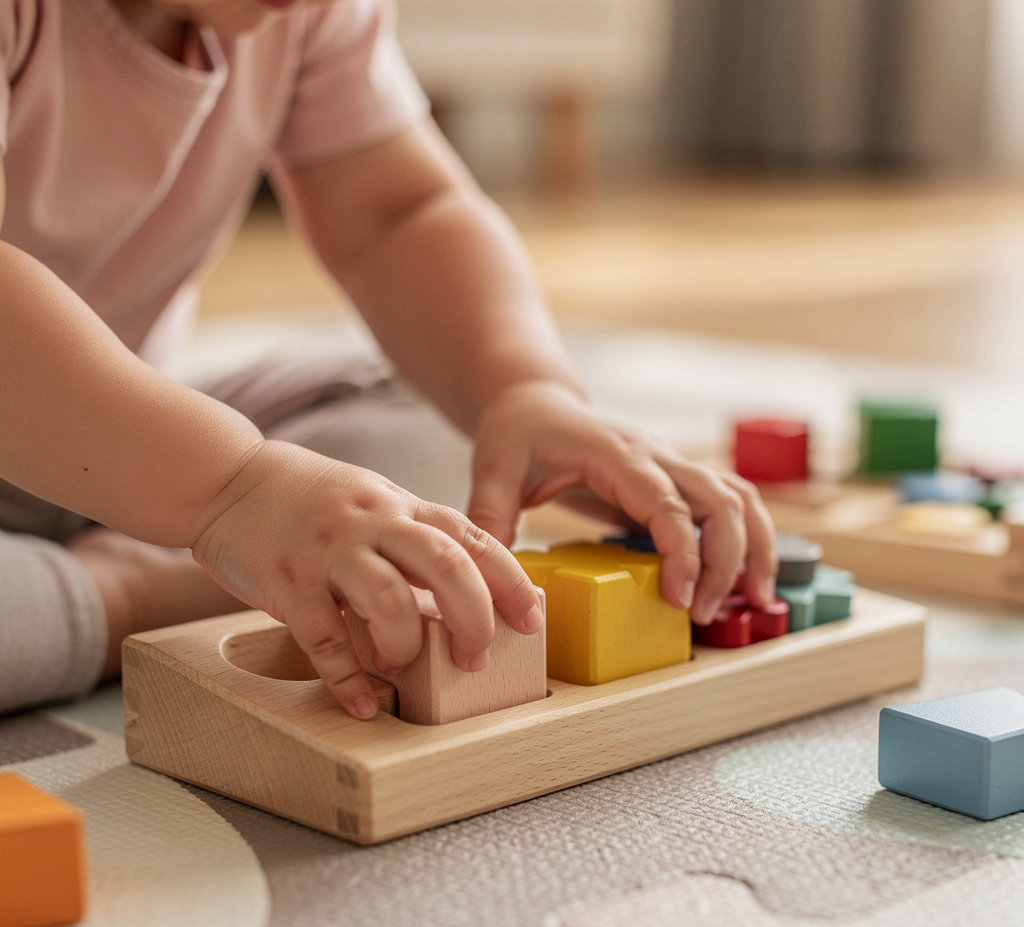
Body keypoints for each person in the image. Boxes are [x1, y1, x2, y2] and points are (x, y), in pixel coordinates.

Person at [0, 0, 777, 720]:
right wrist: (229, 490)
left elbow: (398, 214)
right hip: (141, 462)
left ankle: (192, 543)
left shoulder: (302, 12)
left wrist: (526, 393)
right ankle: (127, 593)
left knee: (449, 440)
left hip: (128, 441)